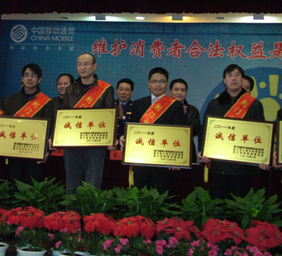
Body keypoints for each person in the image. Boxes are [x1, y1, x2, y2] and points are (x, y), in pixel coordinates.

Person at [198, 64, 268, 200]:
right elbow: (205, 129)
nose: (233, 78)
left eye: (237, 75)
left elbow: (261, 133)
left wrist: (264, 156)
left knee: (240, 205)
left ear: (242, 79)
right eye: (230, 75)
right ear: (224, 80)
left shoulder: (254, 105)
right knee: (218, 204)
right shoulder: (214, 104)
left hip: (243, 167)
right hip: (219, 166)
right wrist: (203, 150)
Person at [60, 53, 115, 193]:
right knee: (72, 183)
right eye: (79, 64)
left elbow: (109, 115)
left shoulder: (105, 89)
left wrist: (110, 138)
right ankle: (71, 208)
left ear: (94, 66)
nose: (82, 67)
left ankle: (91, 209)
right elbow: (63, 116)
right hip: (72, 143)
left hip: (95, 143)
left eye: (86, 64)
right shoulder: (70, 89)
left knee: (93, 184)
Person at [127, 67, 184, 196]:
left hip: (163, 161)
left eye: (162, 81)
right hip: (141, 160)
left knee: (162, 196)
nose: (158, 85)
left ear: (167, 84)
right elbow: (131, 130)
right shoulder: (138, 104)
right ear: (149, 84)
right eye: (154, 81)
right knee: (140, 196)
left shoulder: (175, 105)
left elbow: (178, 133)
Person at [4, 63, 55, 186]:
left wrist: (45, 150)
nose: (29, 78)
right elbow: (4, 123)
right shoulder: (12, 99)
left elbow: (49, 128)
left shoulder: (47, 102)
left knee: (32, 186)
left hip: (34, 151)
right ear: (22, 78)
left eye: (33, 75)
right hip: (14, 150)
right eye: (26, 75)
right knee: (14, 184)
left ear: (39, 79)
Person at [170, 78, 201, 162]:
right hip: (167, 148)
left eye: (182, 90)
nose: (179, 92)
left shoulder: (193, 110)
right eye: (176, 89)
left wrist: (183, 116)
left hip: (186, 150)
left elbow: (195, 130)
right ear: (170, 91)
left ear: (186, 93)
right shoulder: (163, 110)